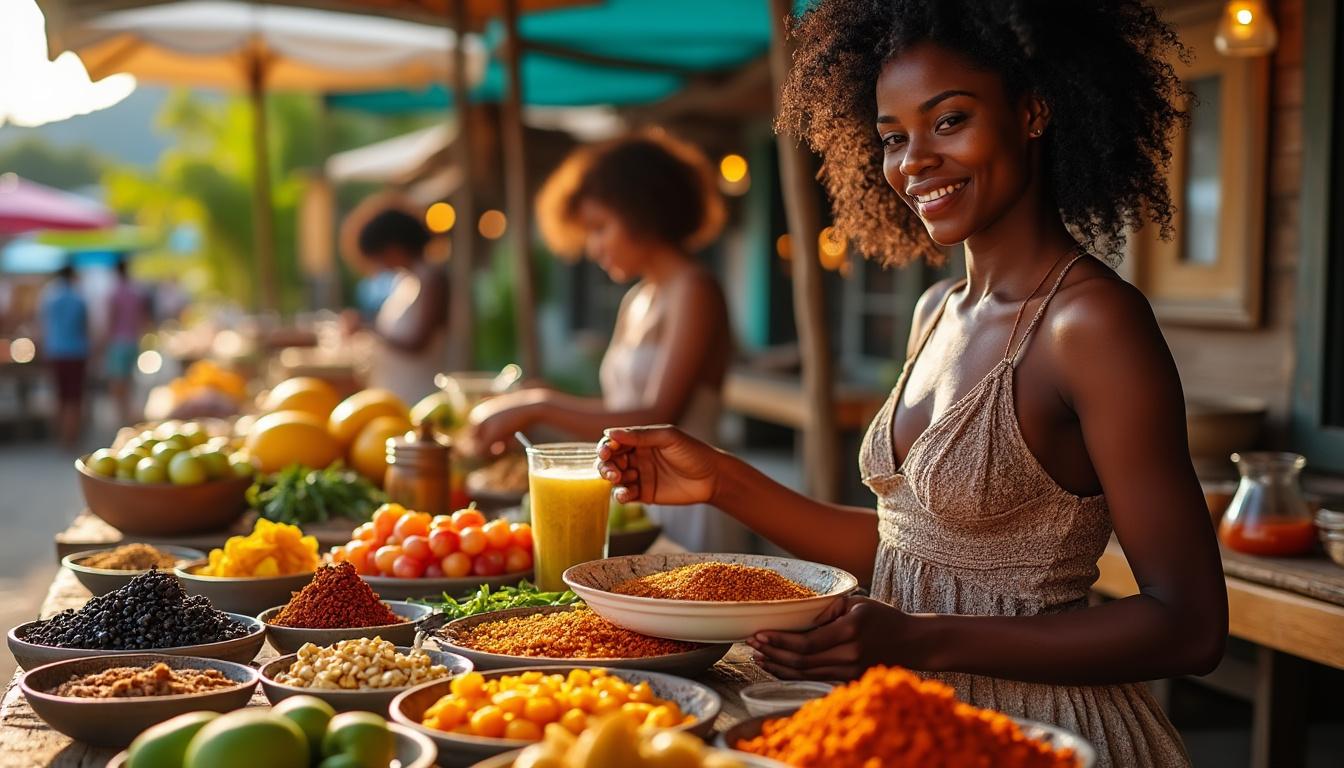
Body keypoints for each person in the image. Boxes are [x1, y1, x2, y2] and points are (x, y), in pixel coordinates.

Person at [596, 3, 1226, 766]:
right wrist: (720, 480)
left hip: (1042, 734)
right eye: (893, 137)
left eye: (949, 121)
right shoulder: (935, 311)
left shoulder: (1089, 325)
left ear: (1033, 112)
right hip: (904, 722)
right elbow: (914, 550)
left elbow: (1189, 626)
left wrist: (922, 639)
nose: (914, 160)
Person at [470, 131, 750, 553]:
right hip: (635, 501)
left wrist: (541, 406)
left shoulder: (694, 289)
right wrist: (538, 408)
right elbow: (616, 413)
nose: (593, 247)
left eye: (600, 227)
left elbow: (657, 417)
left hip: (691, 502)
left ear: (642, 212)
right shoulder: (637, 298)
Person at [343, 204, 449, 405]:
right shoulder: (404, 281)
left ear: (394, 247)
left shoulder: (432, 280)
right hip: (394, 390)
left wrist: (367, 327)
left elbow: (418, 342)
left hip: (418, 396)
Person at [40, 264, 90, 449]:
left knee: (59, 397)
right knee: (74, 398)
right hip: (77, 352)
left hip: (56, 352)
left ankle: (59, 437)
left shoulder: (49, 297)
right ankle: (71, 438)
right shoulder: (79, 298)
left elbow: (43, 326)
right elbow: (85, 327)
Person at [105, 258, 149, 426]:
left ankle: (121, 416)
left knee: (117, 381)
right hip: (132, 341)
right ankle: (127, 414)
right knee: (129, 381)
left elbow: (111, 319)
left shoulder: (115, 293)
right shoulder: (135, 292)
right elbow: (143, 318)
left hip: (118, 342)